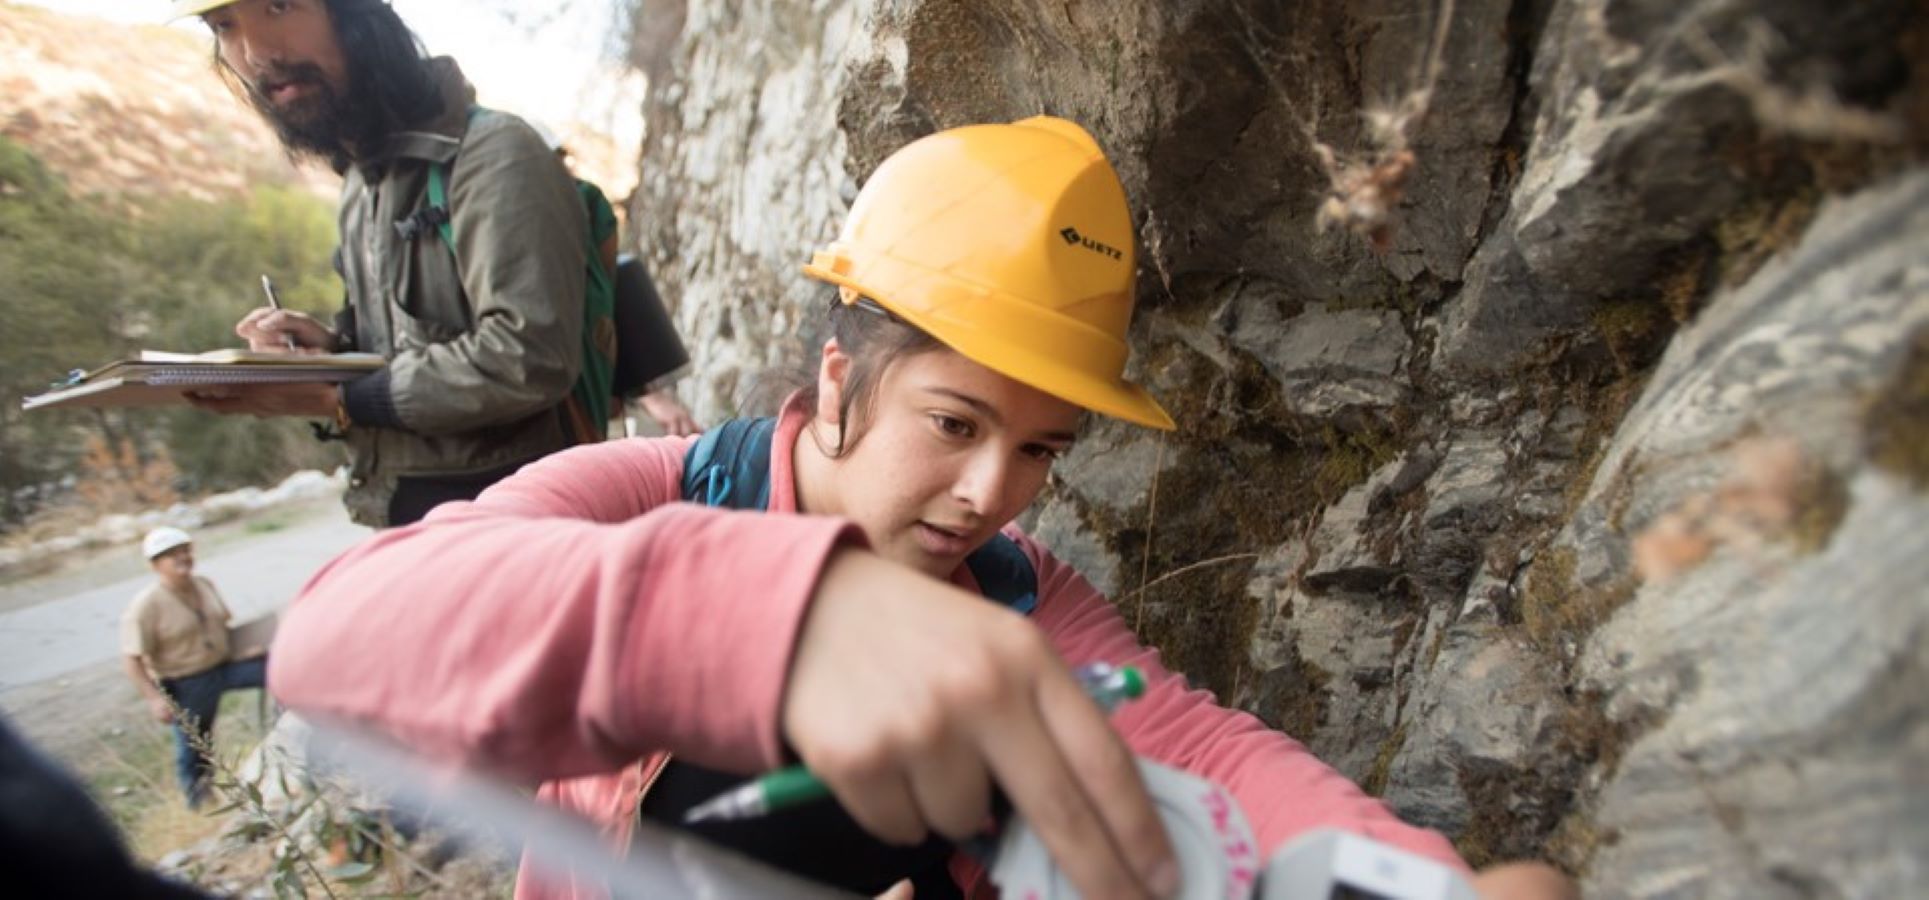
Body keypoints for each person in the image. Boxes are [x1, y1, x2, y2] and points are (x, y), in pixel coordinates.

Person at [268, 118, 1573, 899]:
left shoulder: (1013, 601)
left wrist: (1413, 879)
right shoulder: (634, 497)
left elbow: (1207, 753)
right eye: (954, 425)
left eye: (1040, 451)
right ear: (838, 378)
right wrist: (772, 613)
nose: (990, 494)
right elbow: (340, 641)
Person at [175, 0, 595, 527]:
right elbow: (407, 345)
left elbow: (530, 359)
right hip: (405, 512)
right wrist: (329, 352)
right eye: (223, 26)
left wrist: (340, 398)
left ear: (356, 15)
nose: (256, 54)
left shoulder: (496, 154)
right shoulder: (361, 182)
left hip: (511, 514)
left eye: (278, 7)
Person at [120, 527, 267, 808]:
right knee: (194, 746)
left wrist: (246, 648)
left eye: (185, 551)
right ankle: (199, 801)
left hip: (224, 666)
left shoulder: (203, 584)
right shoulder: (146, 606)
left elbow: (221, 627)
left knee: (278, 671)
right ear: (155, 565)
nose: (182, 558)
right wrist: (153, 699)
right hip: (187, 681)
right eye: (172, 555)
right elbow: (132, 659)